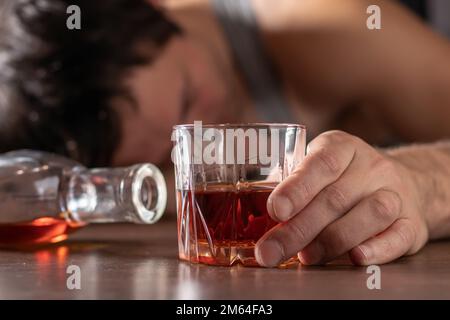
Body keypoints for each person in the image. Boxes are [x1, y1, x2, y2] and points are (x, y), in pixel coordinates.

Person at [1, 0, 450, 267]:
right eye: (167, 157)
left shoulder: (318, 26)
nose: (203, 148)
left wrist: (425, 183)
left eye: (187, 99)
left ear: (158, 6)